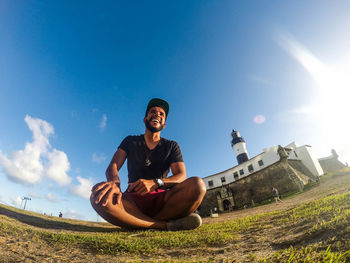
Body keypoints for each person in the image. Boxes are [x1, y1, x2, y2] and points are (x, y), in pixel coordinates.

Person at [90, 98, 206, 231]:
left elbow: (181, 176)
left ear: (164, 124)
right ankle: (163, 225)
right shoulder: (130, 141)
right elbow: (113, 166)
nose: (157, 114)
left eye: (162, 114)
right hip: (132, 202)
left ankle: (136, 222)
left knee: (198, 185)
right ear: (145, 119)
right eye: (153, 112)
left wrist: (156, 182)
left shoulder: (171, 145)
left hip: (164, 201)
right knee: (97, 196)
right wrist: (114, 184)